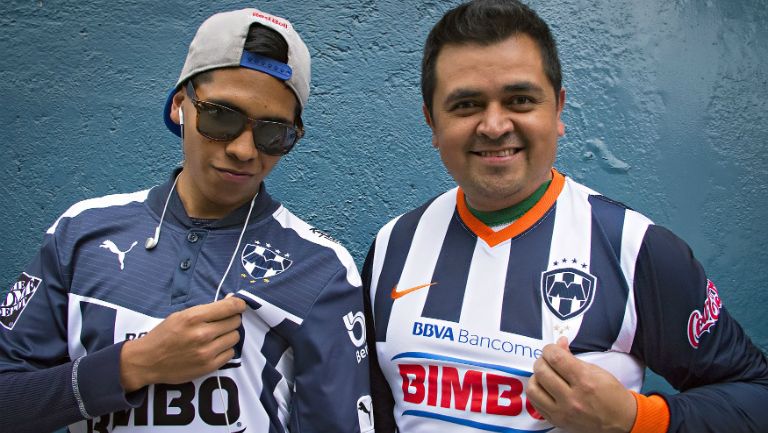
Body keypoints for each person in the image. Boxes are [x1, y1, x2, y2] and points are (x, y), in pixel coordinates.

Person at [362, 1, 768, 432]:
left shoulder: (634, 247)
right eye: (466, 105)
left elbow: (756, 393)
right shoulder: (393, 245)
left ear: (558, 110)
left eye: (520, 99)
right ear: (432, 122)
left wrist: (637, 419)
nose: (495, 125)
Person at [0, 8, 373, 433]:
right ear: (181, 105)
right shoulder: (81, 233)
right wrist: (131, 366)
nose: (244, 150)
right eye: (222, 116)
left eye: (273, 133)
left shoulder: (320, 268)